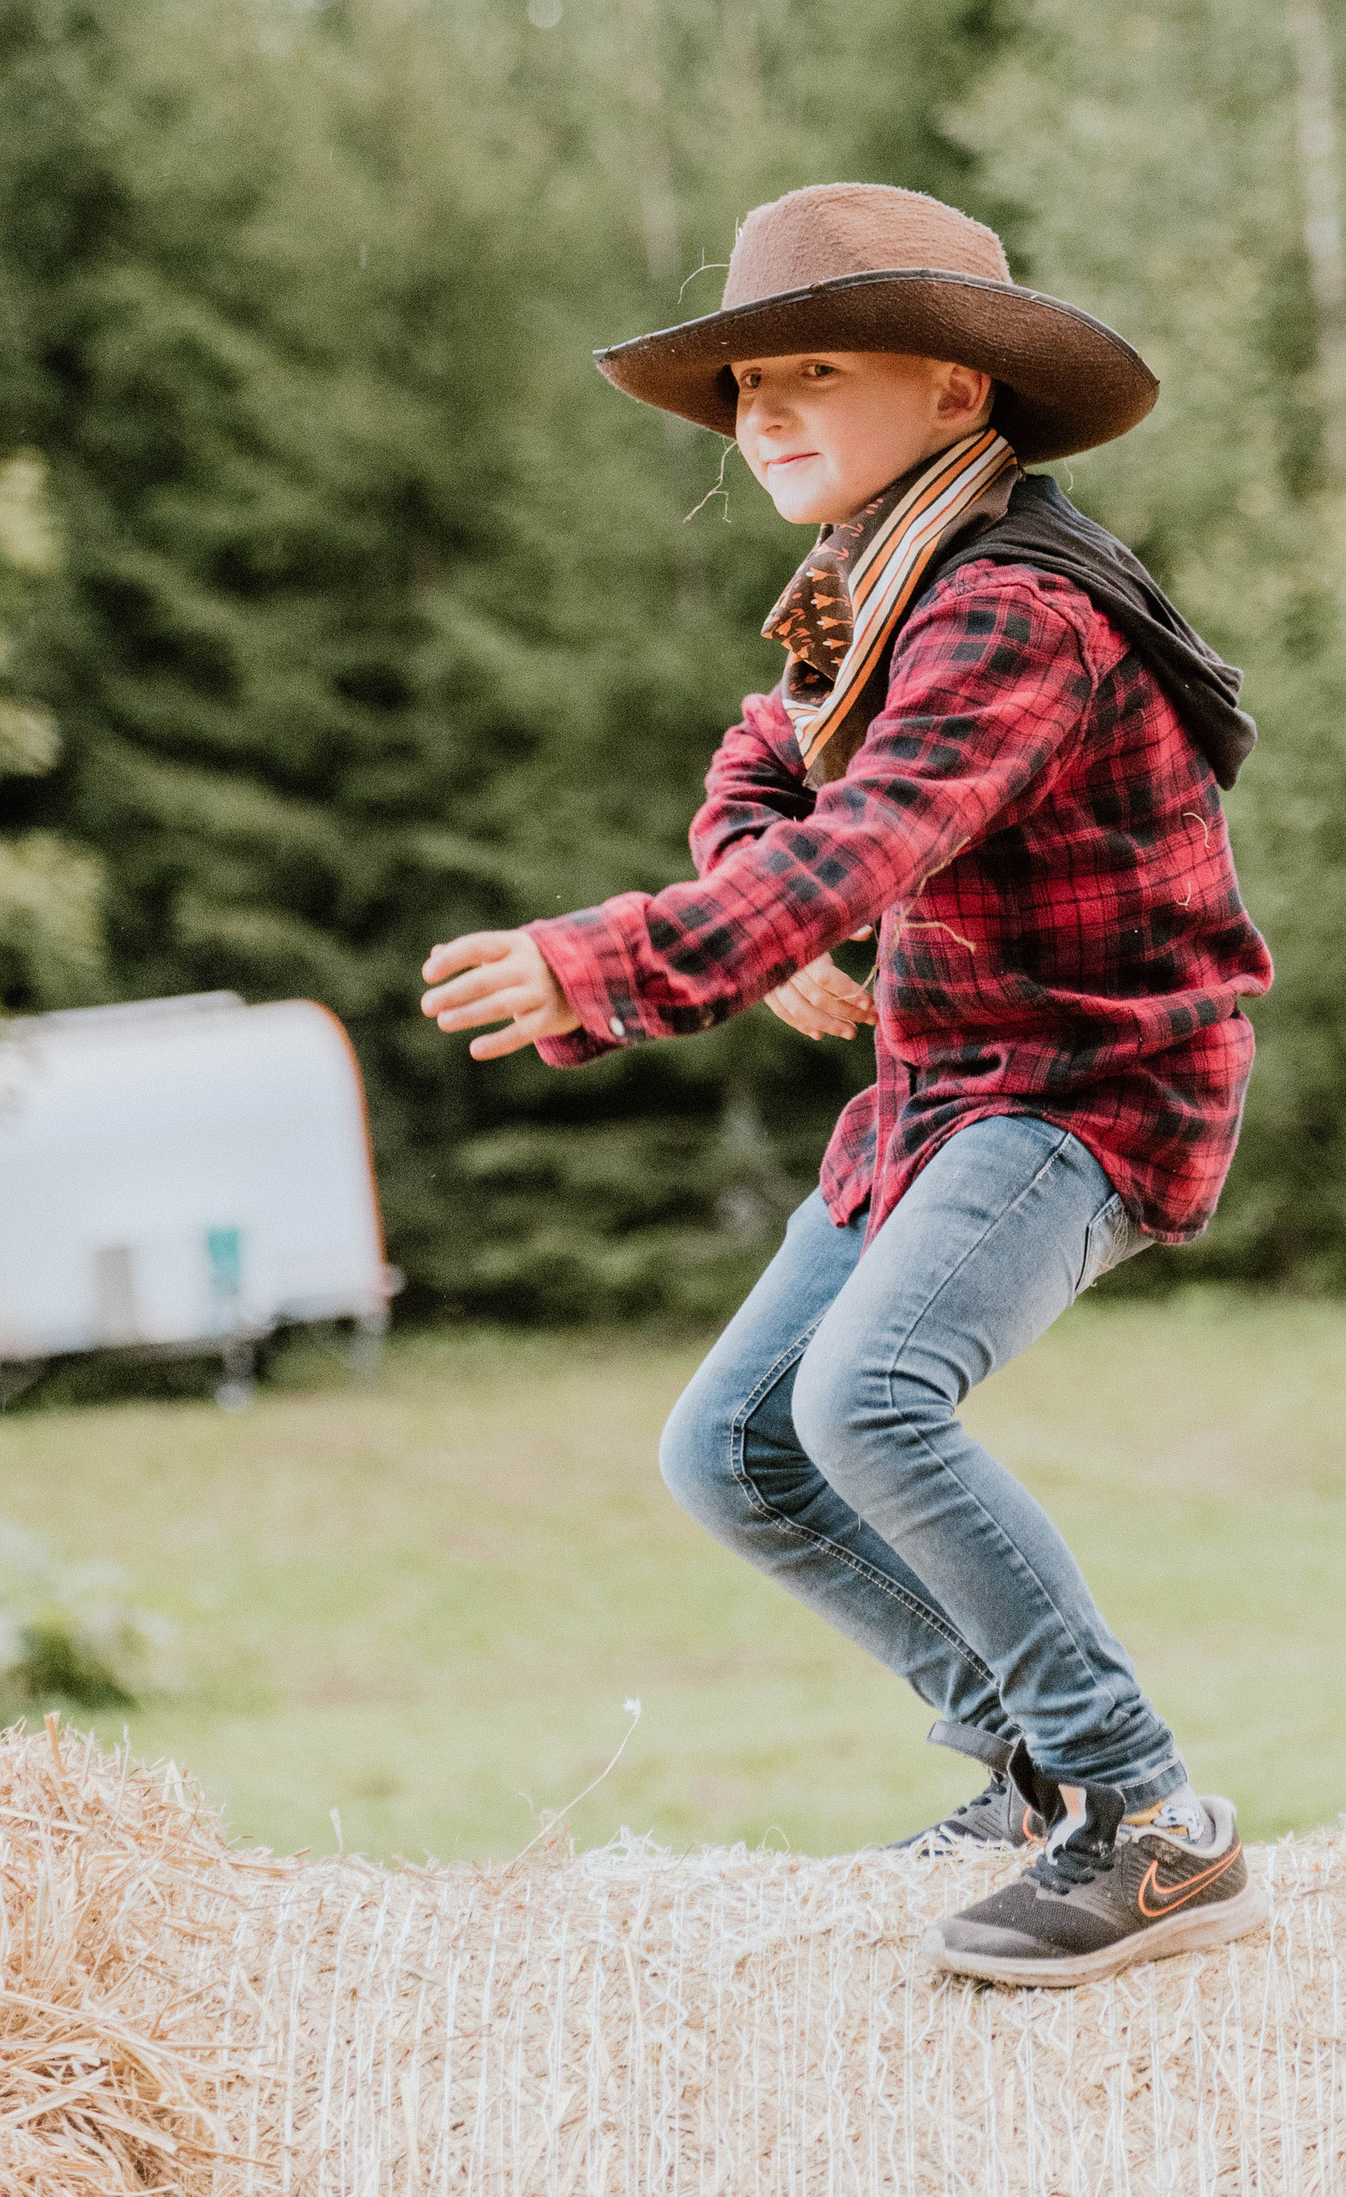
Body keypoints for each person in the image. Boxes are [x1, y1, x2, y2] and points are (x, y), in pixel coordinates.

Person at [422, 182, 1275, 1988]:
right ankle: (1033, 1764)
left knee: (869, 1403)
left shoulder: (1014, 610)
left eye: (814, 369)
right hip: (939, 1090)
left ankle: (1146, 1821)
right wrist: (781, 912)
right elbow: (770, 783)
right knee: (728, 1449)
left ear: (961, 395)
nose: (766, 413)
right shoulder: (856, 596)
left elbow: (877, 829)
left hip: (1092, 1082)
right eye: (743, 388)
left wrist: (614, 963)